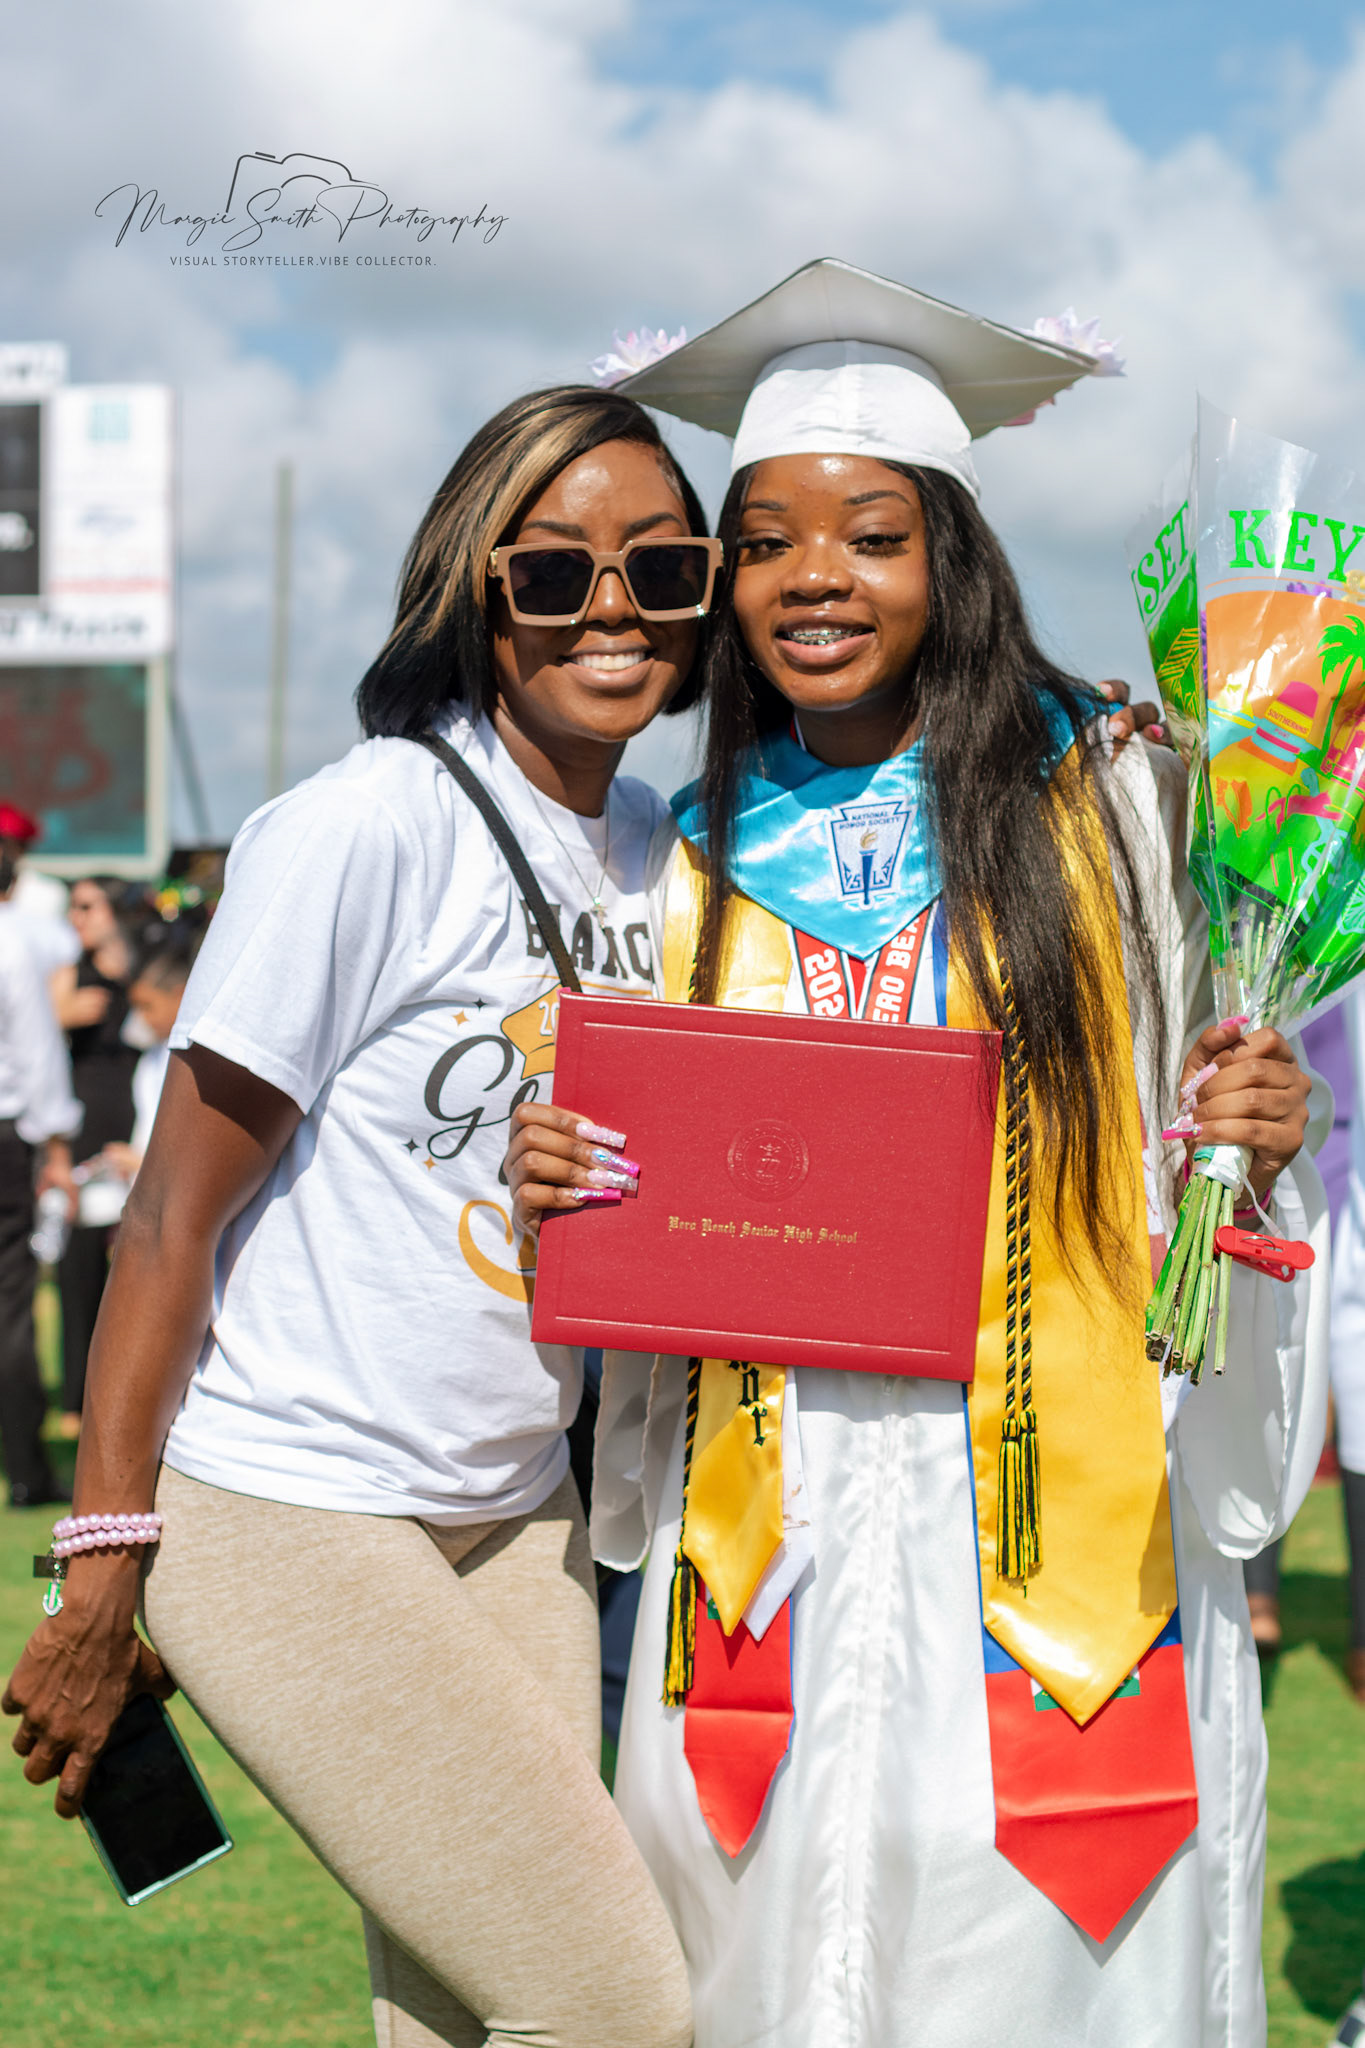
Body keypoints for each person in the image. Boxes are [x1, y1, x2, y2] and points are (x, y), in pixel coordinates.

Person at [508, 261, 1331, 2047]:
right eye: (766, 543)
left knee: (1014, 1959)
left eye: (872, 536)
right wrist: (573, 1181)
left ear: (951, 559)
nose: (815, 577)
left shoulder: (1126, 804)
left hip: (1037, 1527)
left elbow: (1218, 1126)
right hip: (776, 1526)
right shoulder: (686, 855)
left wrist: (1268, 1142)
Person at [2, 384, 705, 2048]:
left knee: (466, 2015)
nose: (613, 606)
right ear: (476, 590)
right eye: (557, 571)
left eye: (663, 567)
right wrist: (102, 1567)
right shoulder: (363, 827)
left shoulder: (661, 850)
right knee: (612, 2006)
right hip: (292, 1503)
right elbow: (167, 1221)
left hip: (517, 1506)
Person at [0, 832, 81, 1507]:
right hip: (5, 1136)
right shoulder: (10, 940)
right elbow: (38, 1052)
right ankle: (26, 1470)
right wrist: (57, 1149)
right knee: (10, 1308)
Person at [49, 877, 140, 1434]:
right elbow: (29, 1032)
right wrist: (62, 1015)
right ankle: (74, 1400)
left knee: (135, 1262)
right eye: (72, 907)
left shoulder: (144, 970)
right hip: (85, 1125)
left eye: (87, 906)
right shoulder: (69, 971)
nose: (76, 916)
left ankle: (127, 1395)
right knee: (79, 1262)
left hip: (138, 1126)